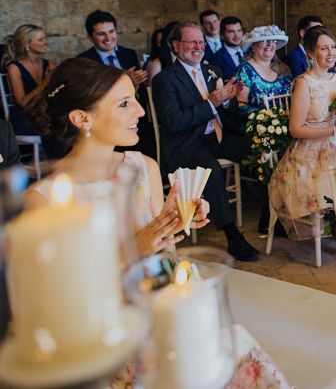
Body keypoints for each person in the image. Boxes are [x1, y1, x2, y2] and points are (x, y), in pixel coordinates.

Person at [24, 58, 209, 257]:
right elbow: (58, 283)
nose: (140, 111)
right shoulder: (44, 198)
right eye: (124, 104)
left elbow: (165, 252)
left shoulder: (144, 166)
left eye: (135, 99)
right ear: (82, 118)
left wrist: (171, 221)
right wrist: (130, 253)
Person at [153, 22, 259, 262]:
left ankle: (269, 214)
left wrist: (231, 98)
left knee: (260, 148)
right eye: (192, 42)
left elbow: (226, 112)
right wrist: (211, 102)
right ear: (176, 46)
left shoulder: (213, 70)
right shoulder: (165, 80)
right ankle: (233, 236)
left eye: (201, 42)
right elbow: (173, 122)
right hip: (187, 144)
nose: (198, 47)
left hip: (217, 136)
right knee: (210, 169)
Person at [268, 26, 336, 239]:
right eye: (324, 48)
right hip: (310, 151)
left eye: (333, 47)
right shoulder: (303, 84)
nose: (331, 53)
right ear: (310, 53)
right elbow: (296, 129)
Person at [78, 10, 154, 157]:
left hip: (136, 119)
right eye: (101, 34)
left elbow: (142, 94)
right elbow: (90, 97)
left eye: (111, 31)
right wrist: (124, 82)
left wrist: (135, 87)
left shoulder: (129, 54)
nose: (108, 38)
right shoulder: (85, 61)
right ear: (90, 37)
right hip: (106, 122)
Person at [4, 24, 53, 137]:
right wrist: (46, 82)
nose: (46, 42)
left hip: (44, 111)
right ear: (27, 44)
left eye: (45, 38)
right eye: (41, 39)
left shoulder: (48, 64)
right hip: (24, 116)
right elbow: (23, 103)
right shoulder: (14, 68)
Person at [235, 25, 292, 120]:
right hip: (258, 129)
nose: (270, 44)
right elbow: (241, 106)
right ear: (253, 45)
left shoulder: (283, 68)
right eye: (264, 40)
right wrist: (269, 116)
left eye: (273, 41)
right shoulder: (245, 70)